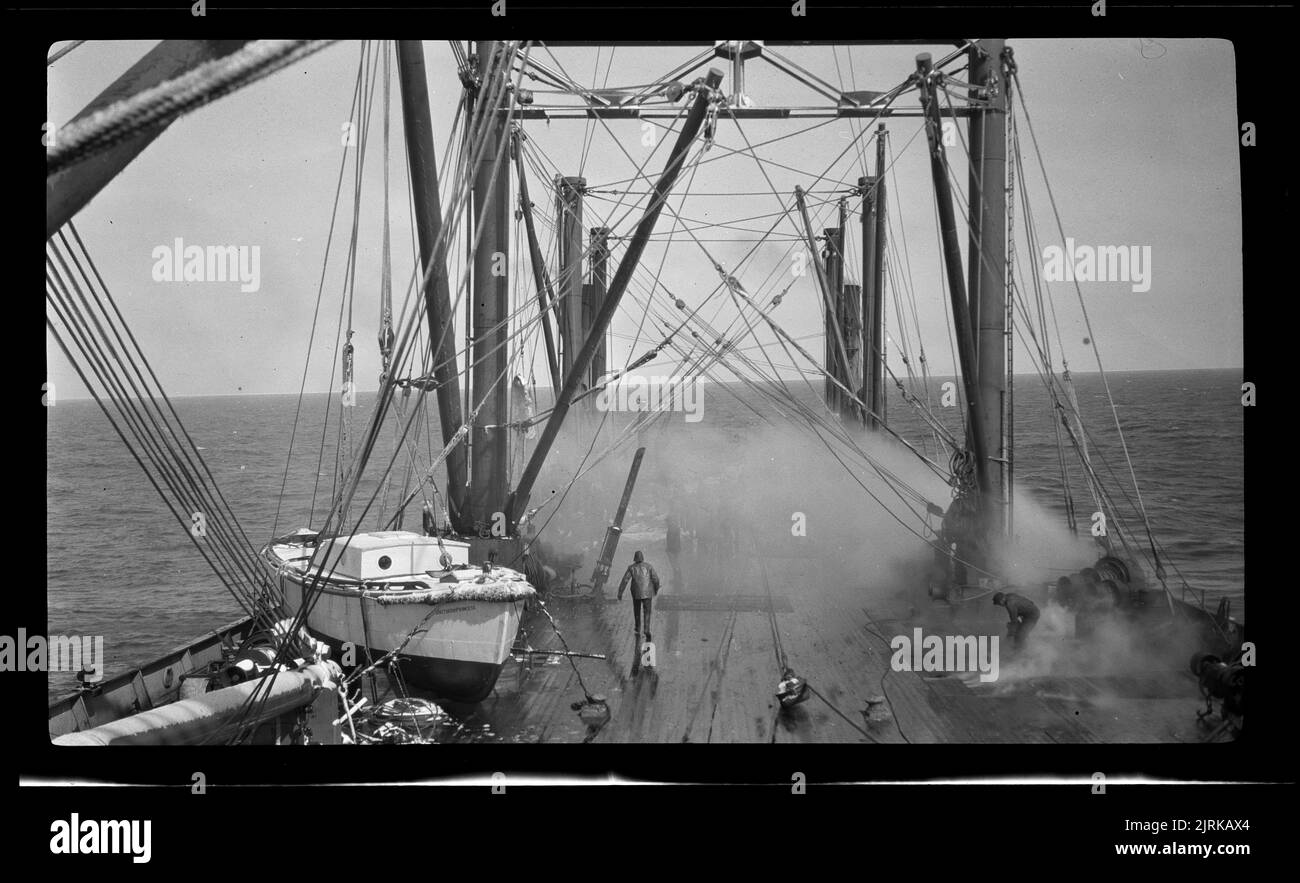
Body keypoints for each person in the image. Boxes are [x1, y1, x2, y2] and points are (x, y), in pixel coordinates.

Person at [617, 550, 661, 673]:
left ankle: (638, 627)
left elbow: (625, 580)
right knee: (647, 611)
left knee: (637, 610)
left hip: (636, 593)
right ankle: (646, 629)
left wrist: (620, 592)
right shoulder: (649, 566)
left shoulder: (631, 568)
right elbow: (656, 579)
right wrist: (656, 589)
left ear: (634, 558)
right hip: (648, 592)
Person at [665, 515, 683, 590]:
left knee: (674, 564)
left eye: (667, 521)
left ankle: (678, 580)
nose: (666, 523)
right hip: (675, 549)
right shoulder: (674, 527)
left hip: (673, 549)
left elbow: (672, 540)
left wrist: (669, 549)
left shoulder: (672, 528)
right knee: (675, 564)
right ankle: (677, 579)